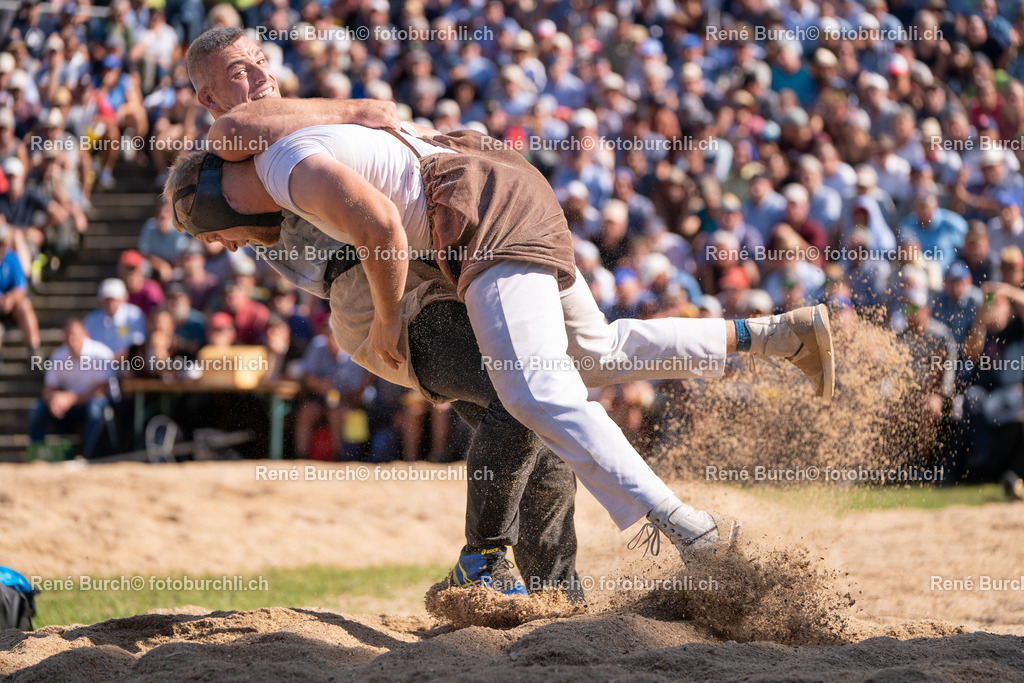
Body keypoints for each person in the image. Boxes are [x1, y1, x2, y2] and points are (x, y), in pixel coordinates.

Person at [29, 318, 117, 459]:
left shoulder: (101, 354)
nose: (71, 340)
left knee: (95, 405)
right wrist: (53, 400)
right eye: (67, 336)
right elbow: (48, 389)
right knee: (38, 409)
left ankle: (88, 457)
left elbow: (101, 390)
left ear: (85, 335)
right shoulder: (58, 355)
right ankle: (37, 456)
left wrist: (71, 399)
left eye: (74, 335)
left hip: (91, 405)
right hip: (67, 408)